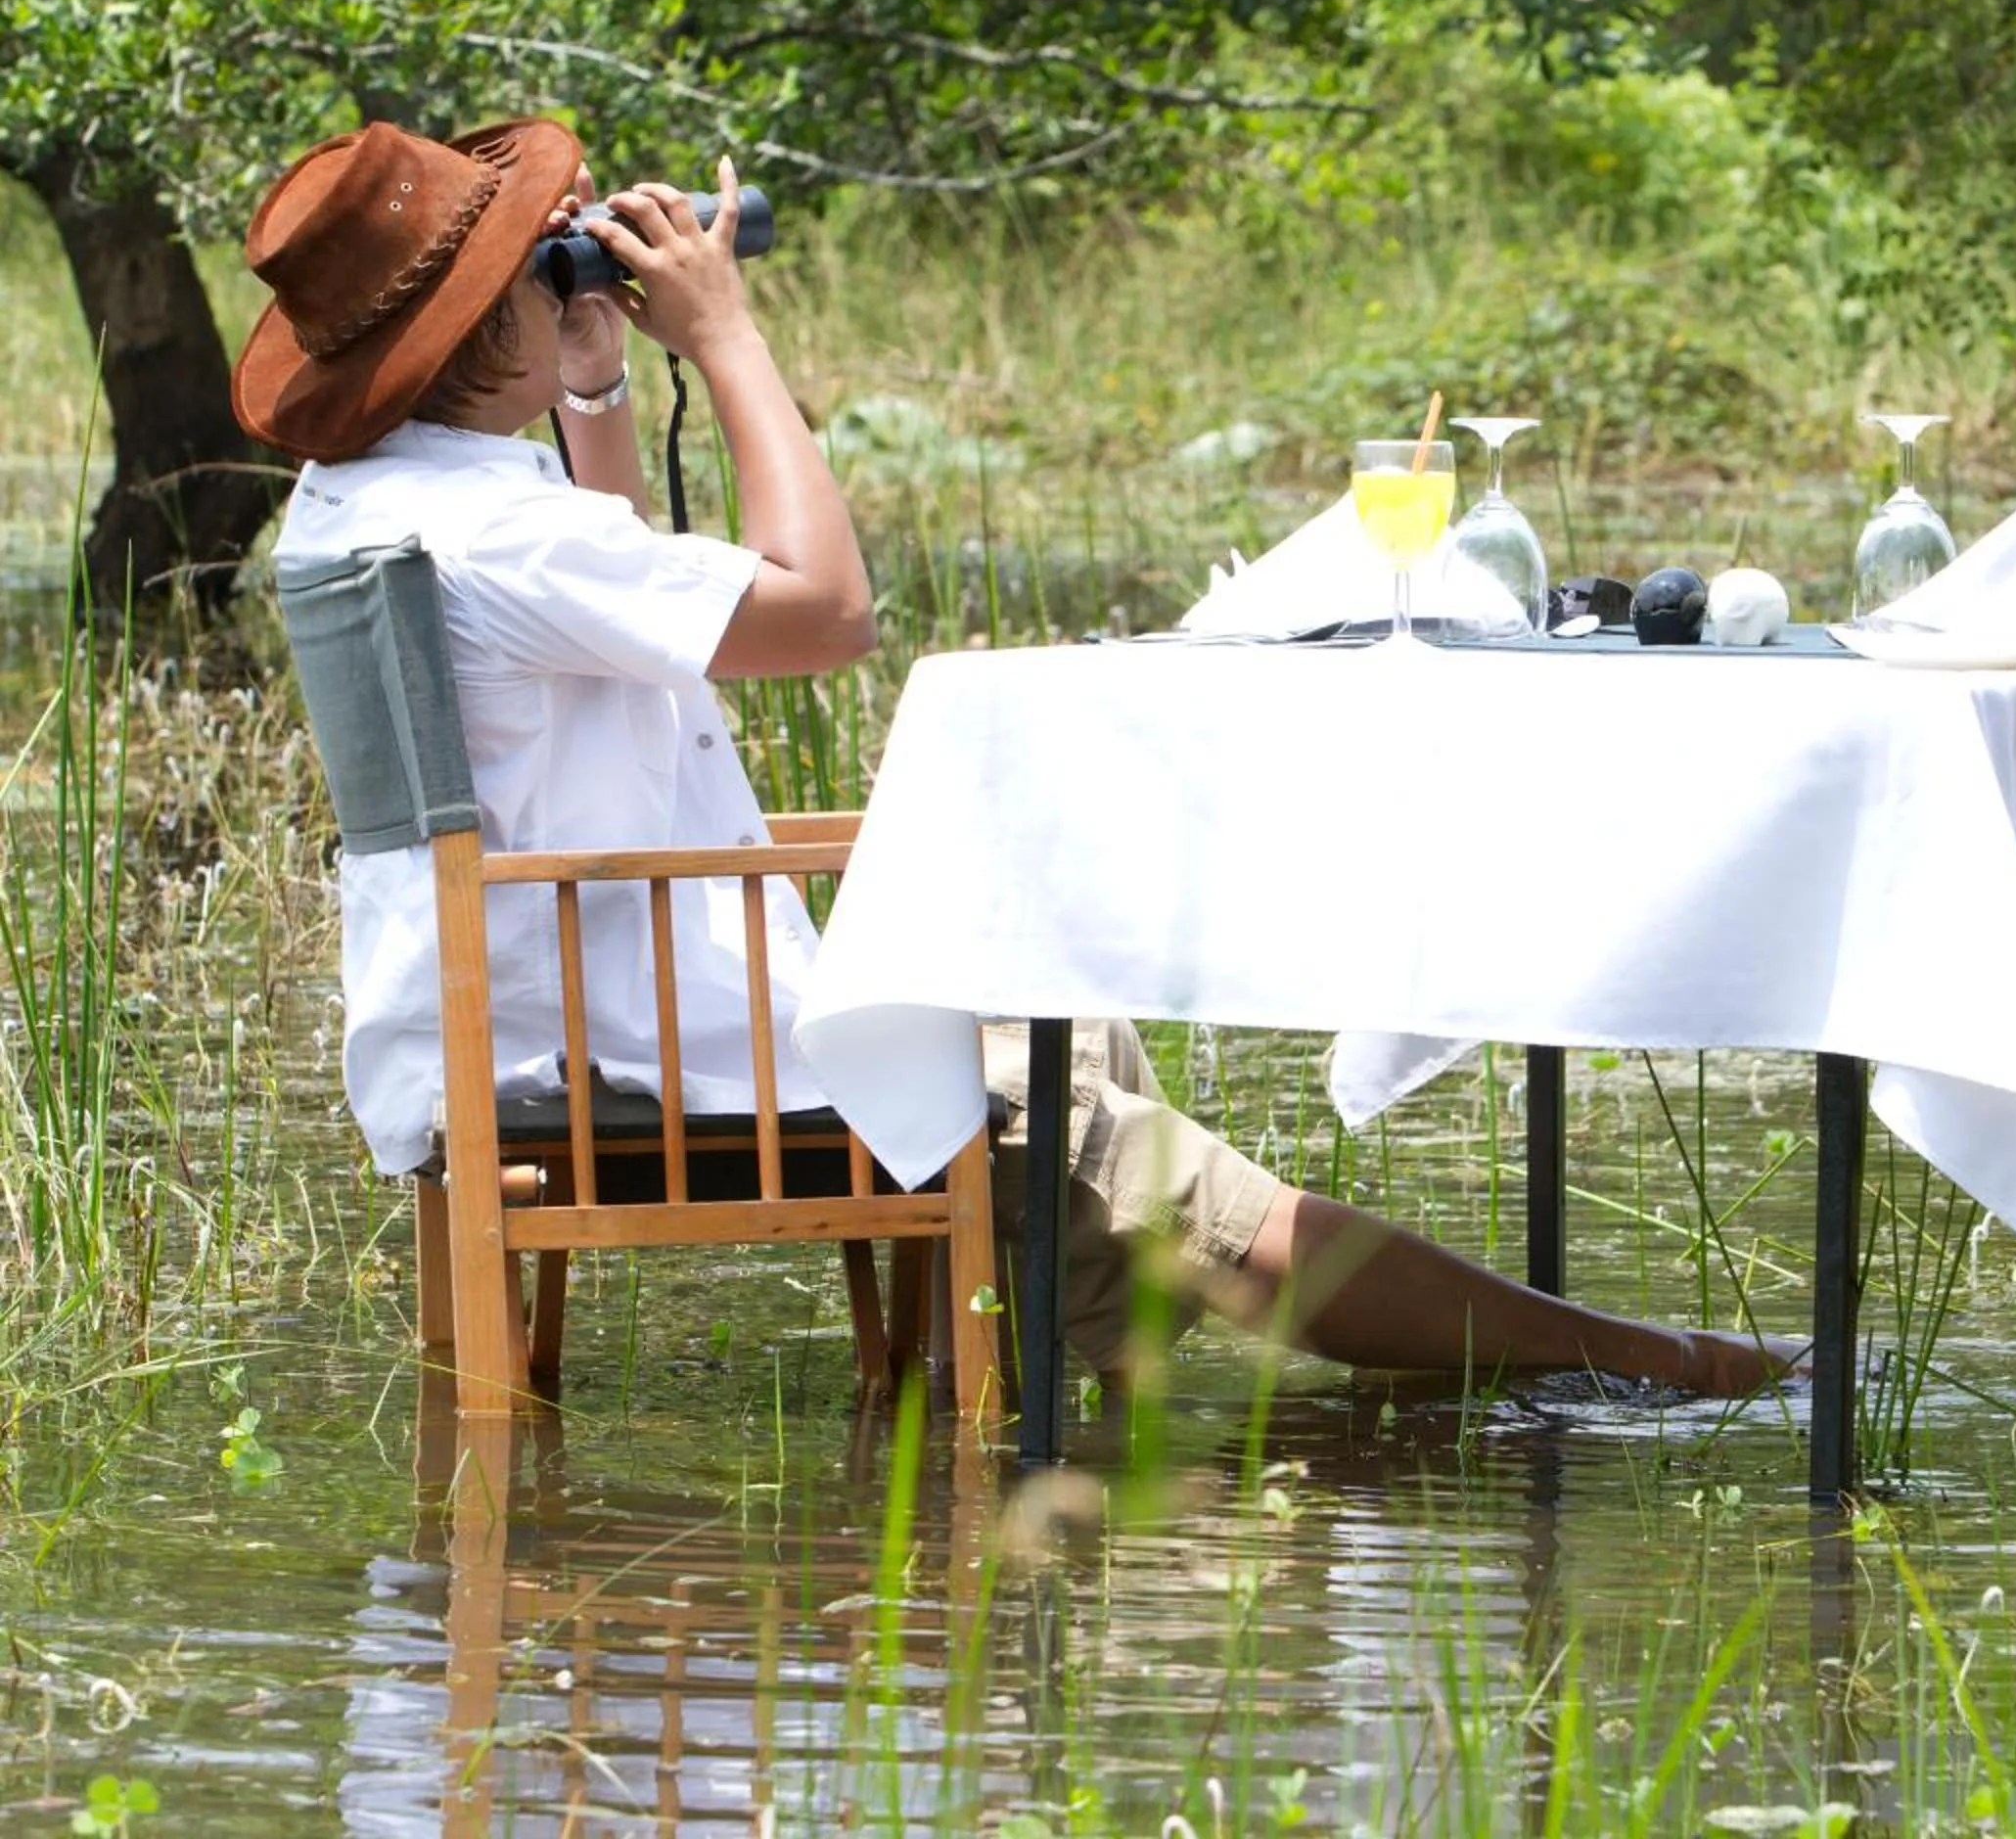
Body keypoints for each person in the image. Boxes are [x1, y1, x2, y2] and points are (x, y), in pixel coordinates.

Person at [237, 118, 1795, 1398]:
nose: (571, 273)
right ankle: (1642, 1364)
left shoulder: (377, 507)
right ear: (477, 322)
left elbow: (623, 575)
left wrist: (587, 385)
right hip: (638, 1047)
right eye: (540, 267)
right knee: (1101, 1119)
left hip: (516, 1026)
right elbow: (825, 610)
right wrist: (724, 339)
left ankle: (1081, 1336)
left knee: (1067, 1037)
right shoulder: (496, 528)